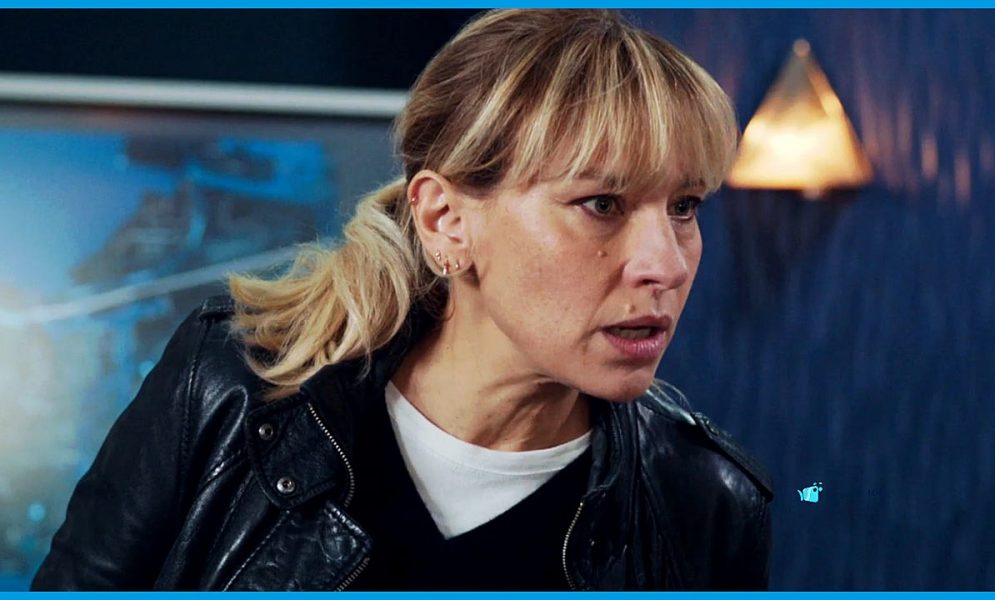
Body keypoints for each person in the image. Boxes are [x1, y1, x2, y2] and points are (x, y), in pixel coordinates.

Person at [32, 8, 773, 591]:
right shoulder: (226, 387)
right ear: (445, 219)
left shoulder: (707, 501)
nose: (665, 264)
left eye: (684, 207)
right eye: (602, 204)